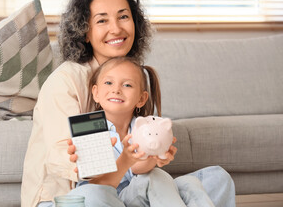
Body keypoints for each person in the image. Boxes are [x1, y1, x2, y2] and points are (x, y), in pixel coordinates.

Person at [21, 0, 235, 207]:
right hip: (72, 197)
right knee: (100, 195)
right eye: (102, 20)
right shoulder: (65, 82)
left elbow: (139, 169)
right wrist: (129, 163)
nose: (116, 28)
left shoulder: (131, 75)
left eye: (123, 17)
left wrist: (152, 158)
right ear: (85, 32)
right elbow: (89, 177)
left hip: (125, 191)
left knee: (216, 178)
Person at [67, 56, 216, 207]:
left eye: (127, 85)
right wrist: (125, 160)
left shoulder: (144, 128)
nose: (116, 89)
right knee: (90, 194)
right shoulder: (88, 127)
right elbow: (98, 184)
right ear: (96, 92)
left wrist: (154, 157)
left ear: (141, 98)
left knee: (213, 176)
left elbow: (138, 170)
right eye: (108, 82)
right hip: (105, 197)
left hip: (137, 196)